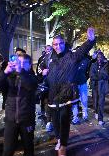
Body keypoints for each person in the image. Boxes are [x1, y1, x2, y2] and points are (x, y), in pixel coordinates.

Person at [41, 28, 95, 156]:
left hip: (66, 96)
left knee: (64, 121)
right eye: (55, 44)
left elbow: (82, 50)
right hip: (52, 96)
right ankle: (59, 139)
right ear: (52, 45)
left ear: (64, 44)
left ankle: (63, 145)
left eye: (60, 43)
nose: (57, 46)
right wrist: (43, 71)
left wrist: (91, 40)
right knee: (55, 121)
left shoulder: (72, 56)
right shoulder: (49, 58)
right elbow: (42, 67)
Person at [0, 54, 38, 156]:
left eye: (23, 63)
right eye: (19, 63)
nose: (21, 65)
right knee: (8, 150)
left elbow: (30, 86)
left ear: (29, 65)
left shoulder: (32, 77)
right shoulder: (10, 77)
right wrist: (5, 72)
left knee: (28, 148)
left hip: (27, 120)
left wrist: (20, 71)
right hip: (11, 120)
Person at [71, 48, 92, 125]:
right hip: (74, 84)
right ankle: (75, 117)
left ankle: (85, 114)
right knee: (74, 101)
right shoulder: (72, 60)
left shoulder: (86, 60)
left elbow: (88, 71)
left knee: (84, 99)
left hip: (83, 83)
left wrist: (85, 78)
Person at [89, 52, 109, 125]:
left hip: (102, 87)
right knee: (95, 102)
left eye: (101, 57)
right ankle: (96, 111)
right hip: (95, 86)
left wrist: (97, 76)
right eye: (98, 57)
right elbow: (91, 75)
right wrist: (99, 76)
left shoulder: (106, 65)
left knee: (101, 103)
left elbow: (106, 75)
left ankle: (100, 119)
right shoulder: (93, 65)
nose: (99, 59)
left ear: (103, 57)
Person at [36, 45, 53, 119]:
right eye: (47, 49)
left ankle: (51, 113)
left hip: (52, 82)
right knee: (43, 97)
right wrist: (43, 72)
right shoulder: (42, 58)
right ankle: (43, 113)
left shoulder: (54, 57)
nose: (48, 50)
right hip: (44, 81)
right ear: (45, 50)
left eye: (50, 49)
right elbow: (38, 68)